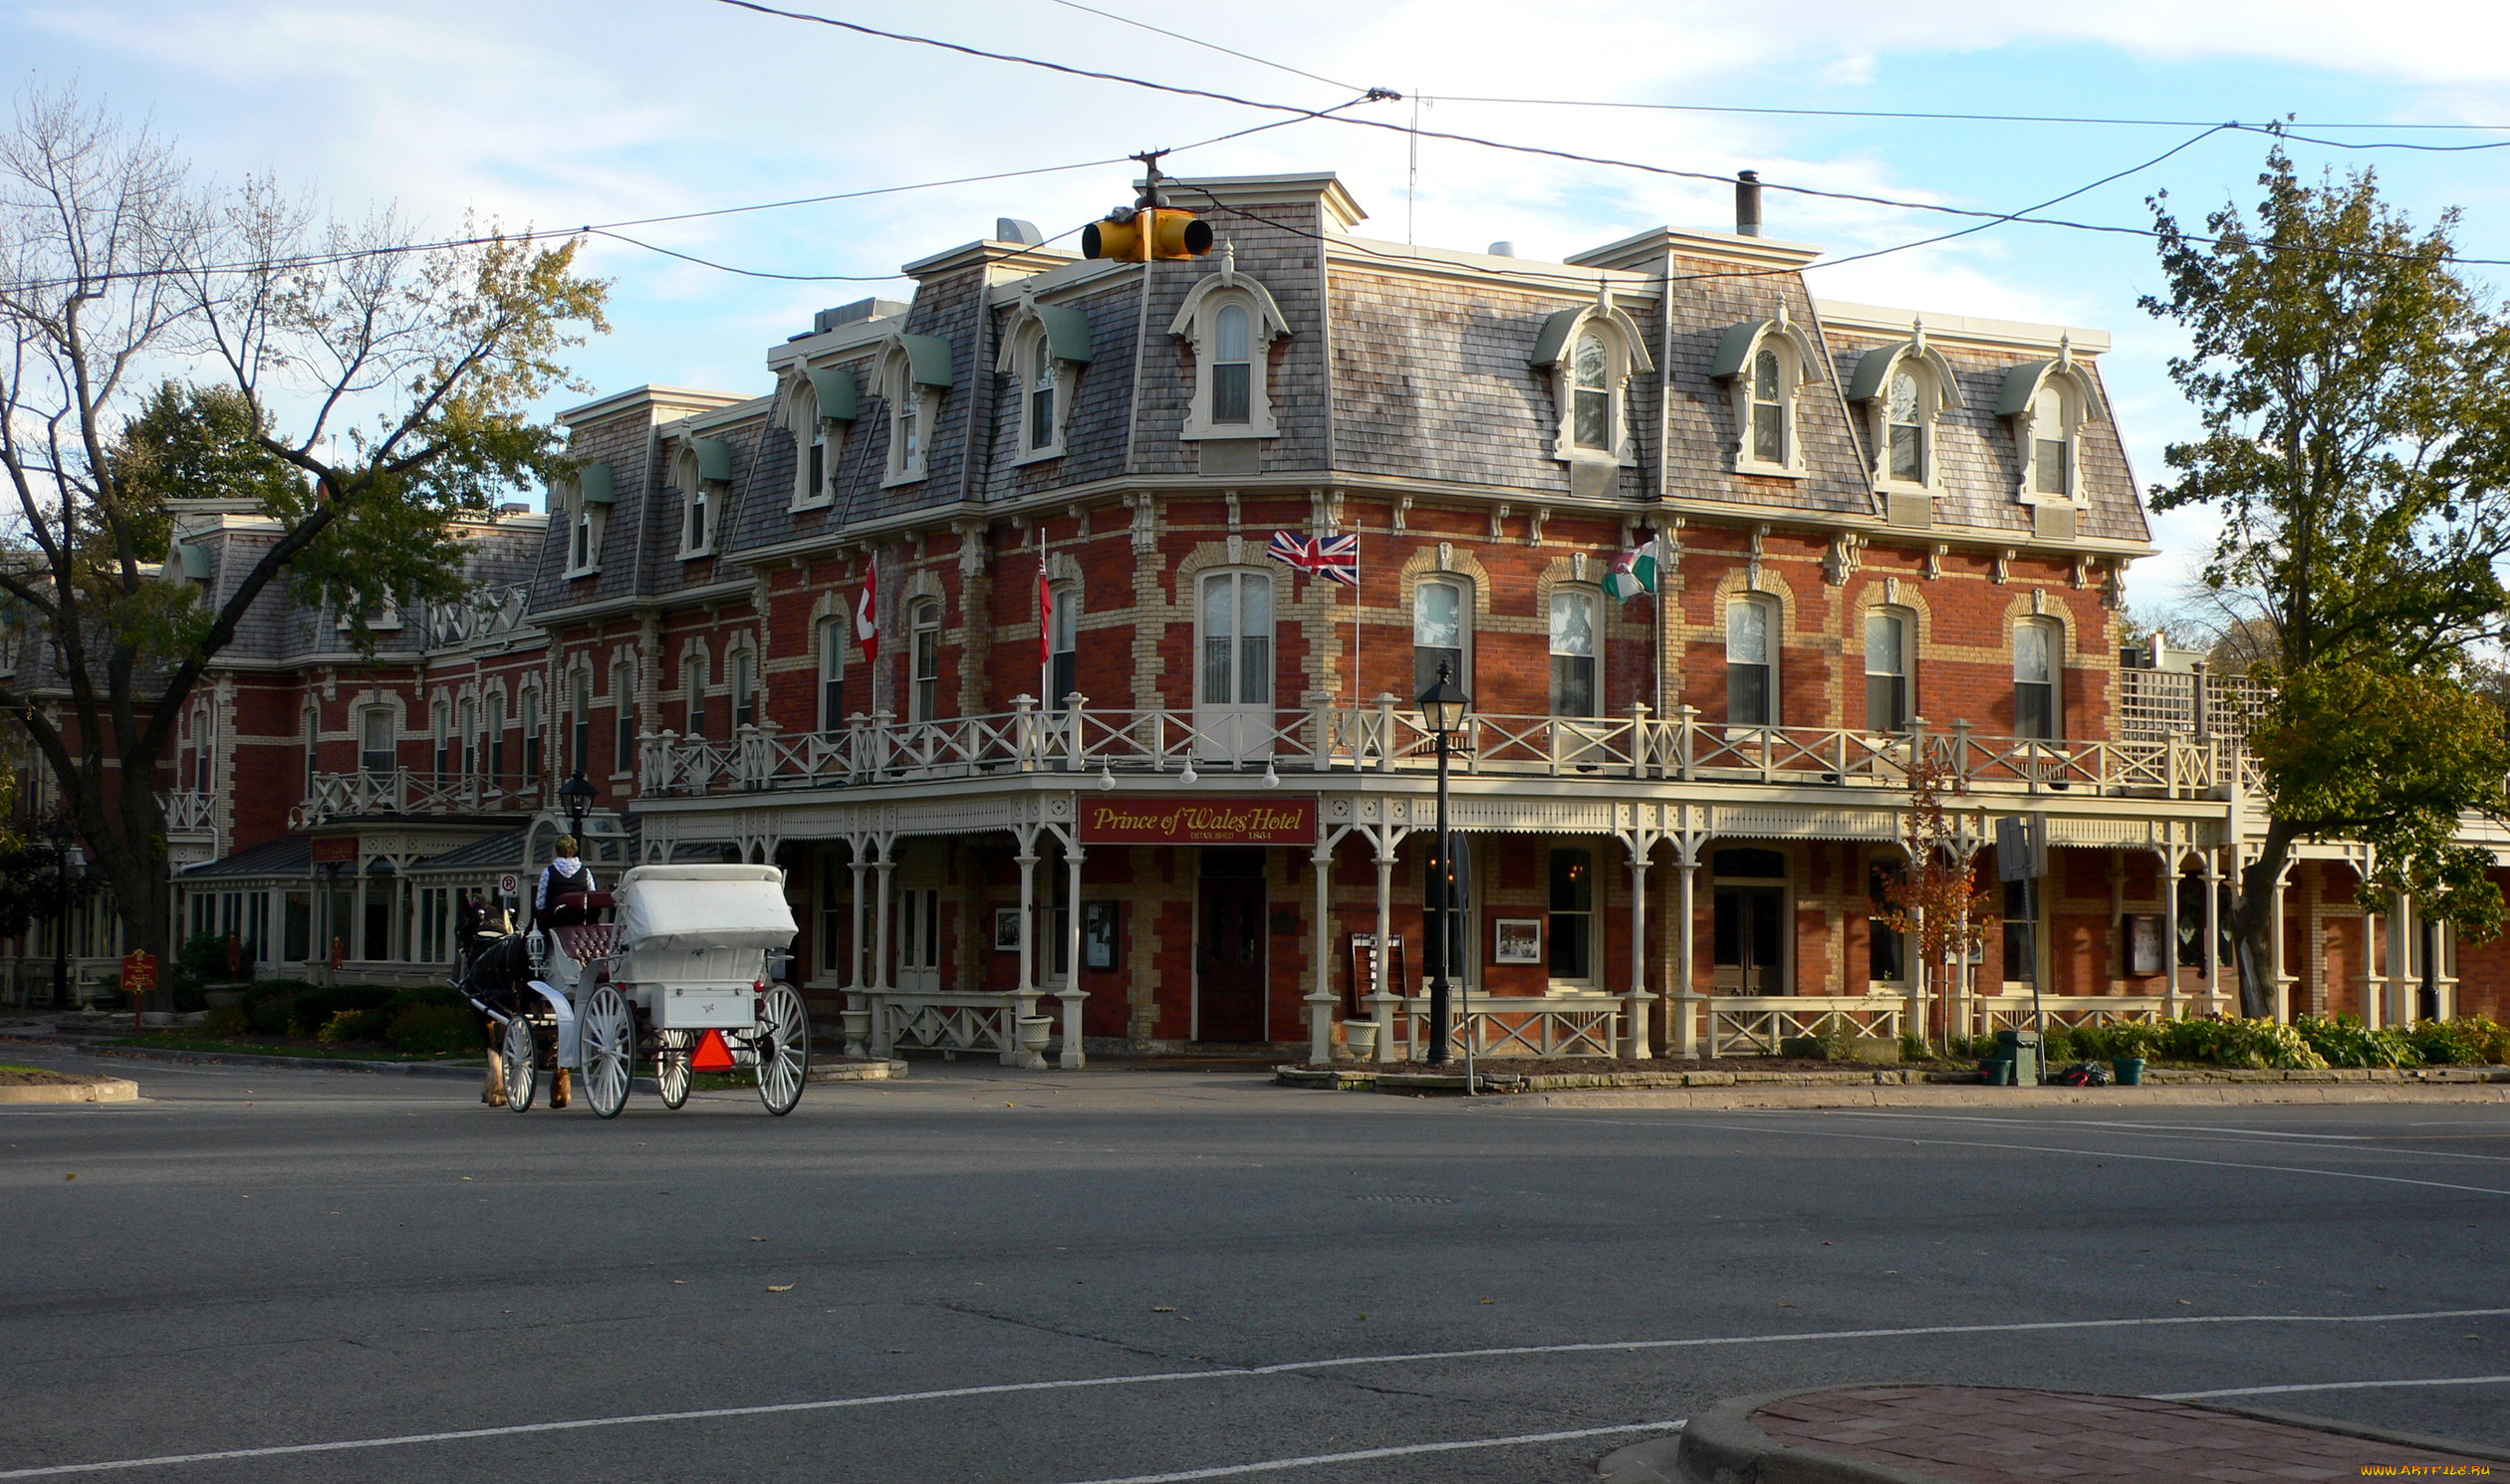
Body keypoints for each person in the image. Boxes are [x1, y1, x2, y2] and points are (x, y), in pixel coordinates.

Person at [536, 838, 596, 928]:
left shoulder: (548, 871)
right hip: (578, 920)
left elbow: (540, 903)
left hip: (554, 922)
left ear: (557, 851)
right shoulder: (585, 872)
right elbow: (592, 896)